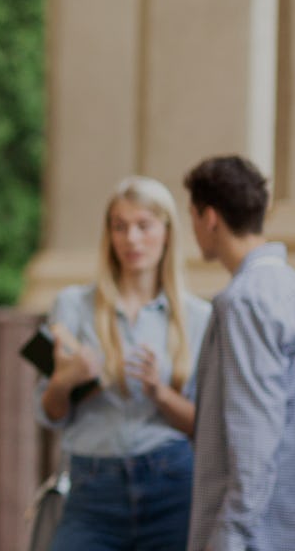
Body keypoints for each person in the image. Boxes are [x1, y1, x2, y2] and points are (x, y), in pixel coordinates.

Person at [36, 176, 211, 550]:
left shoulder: (199, 317)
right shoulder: (72, 306)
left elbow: (206, 425)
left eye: (143, 226)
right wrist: (65, 380)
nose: (131, 239)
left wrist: (159, 392)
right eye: (120, 226)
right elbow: (49, 414)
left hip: (172, 484)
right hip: (91, 485)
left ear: (166, 232)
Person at [181, 155, 295, 551]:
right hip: (292, 526)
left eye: (191, 215)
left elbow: (255, 437)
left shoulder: (244, 301)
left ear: (209, 217)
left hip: (255, 536)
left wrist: (227, 538)